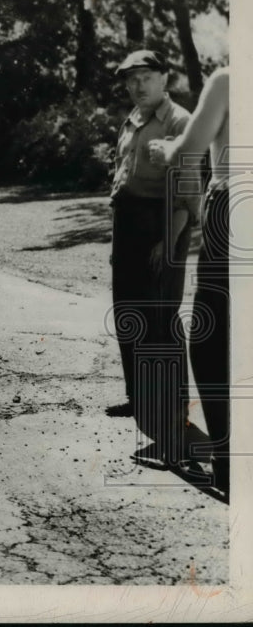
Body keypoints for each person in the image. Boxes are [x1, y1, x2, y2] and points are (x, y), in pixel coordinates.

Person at [107, 50, 199, 468]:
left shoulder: (179, 121)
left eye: (146, 77)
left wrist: (167, 240)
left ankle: (175, 420)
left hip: (163, 226)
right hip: (128, 226)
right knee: (128, 311)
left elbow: (185, 190)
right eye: (131, 80)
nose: (137, 86)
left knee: (160, 320)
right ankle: (141, 400)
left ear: (165, 78)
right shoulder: (134, 119)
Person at [148, 68, 230, 496]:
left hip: (235, 201)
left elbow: (189, 153)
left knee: (211, 334)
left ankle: (228, 458)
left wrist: (166, 150)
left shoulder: (230, 79)